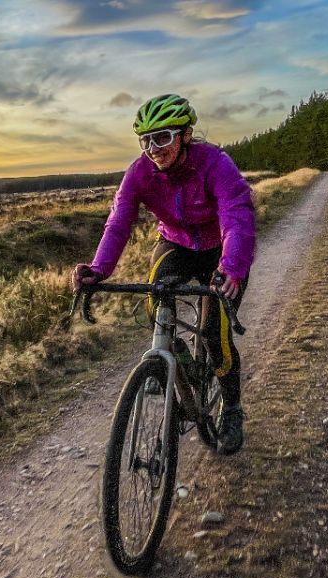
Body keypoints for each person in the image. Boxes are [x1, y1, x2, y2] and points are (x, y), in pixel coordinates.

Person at [72, 93, 255, 455]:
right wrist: (97, 269)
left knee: (214, 335)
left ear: (185, 135)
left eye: (163, 137)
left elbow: (237, 214)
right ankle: (176, 362)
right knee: (155, 303)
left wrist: (231, 267)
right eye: (146, 140)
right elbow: (119, 222)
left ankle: (232, 409)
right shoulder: (139, 173)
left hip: (221, 250)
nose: (154, 148)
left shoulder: (215, 163)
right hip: (176, 244)